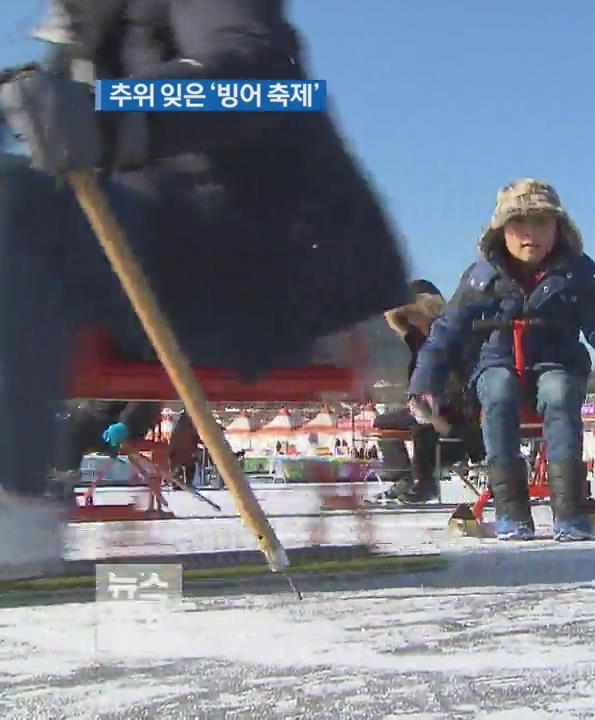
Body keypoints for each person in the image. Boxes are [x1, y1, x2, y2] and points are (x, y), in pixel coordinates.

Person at [0, 0, 407, 579]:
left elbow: (267, 83)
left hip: (264, 271)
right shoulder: (77, 40)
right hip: (158, 272)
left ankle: (14, 508)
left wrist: (113, 110)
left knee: (15, 200)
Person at [408, 179, 595, 541]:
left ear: (559, 228)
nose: (530, 235)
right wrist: (424, 384)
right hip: (496, 365)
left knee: (558, 392)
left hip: (556, 364)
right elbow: (446, 332)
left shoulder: (575, 276)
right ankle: (511, 510)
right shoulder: (480, 280)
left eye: (541, 224)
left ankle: (569, 508)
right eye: (518, 225)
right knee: (498, 390)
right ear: (501, 231)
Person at [370, 279, 482, 504]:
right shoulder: (418, 339)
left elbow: (459, 381)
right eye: (411, 315)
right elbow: (392, 319)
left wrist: (435, 411)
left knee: (422, 428)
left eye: (417, 314)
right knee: (383, 422)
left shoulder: (452, 338)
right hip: (427, 404)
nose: (414, 320)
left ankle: (424, 483)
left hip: (452, 407)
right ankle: (405, 477)